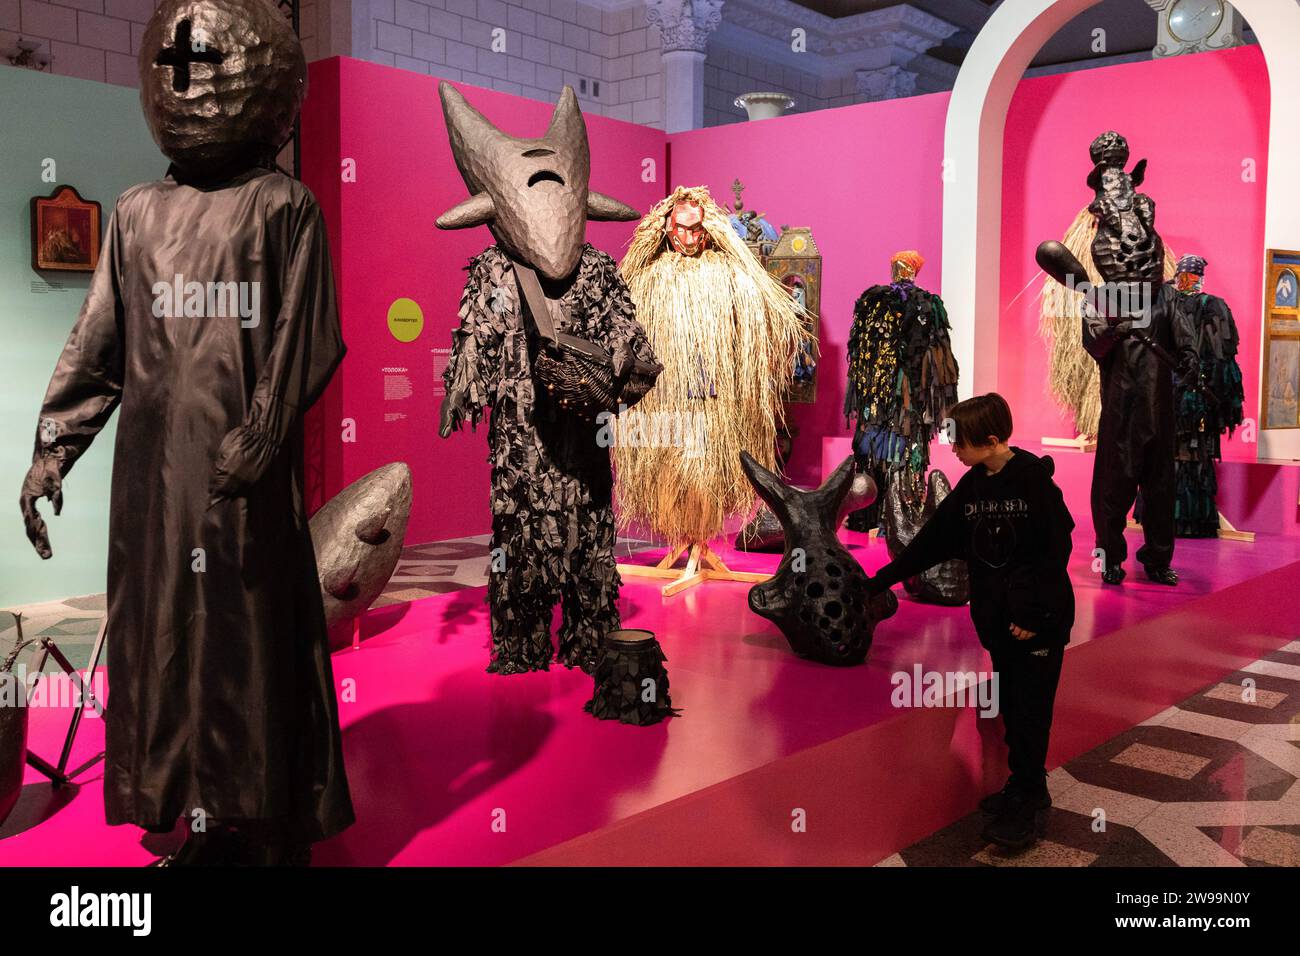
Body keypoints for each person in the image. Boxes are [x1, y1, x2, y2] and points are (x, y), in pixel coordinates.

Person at [868, 393, 1075, 850]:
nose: (954, 451)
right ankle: (1027, 788)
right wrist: (879, 580)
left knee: (1031, 709)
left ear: (993, 440)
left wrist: (1031, 613)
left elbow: (1054, 550)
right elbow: (933, 540)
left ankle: (1026, 800)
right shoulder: (975, 484)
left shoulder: (1033, 482)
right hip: (999, 623)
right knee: (1012, 707)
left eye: (960, 442)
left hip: (1038, 622)